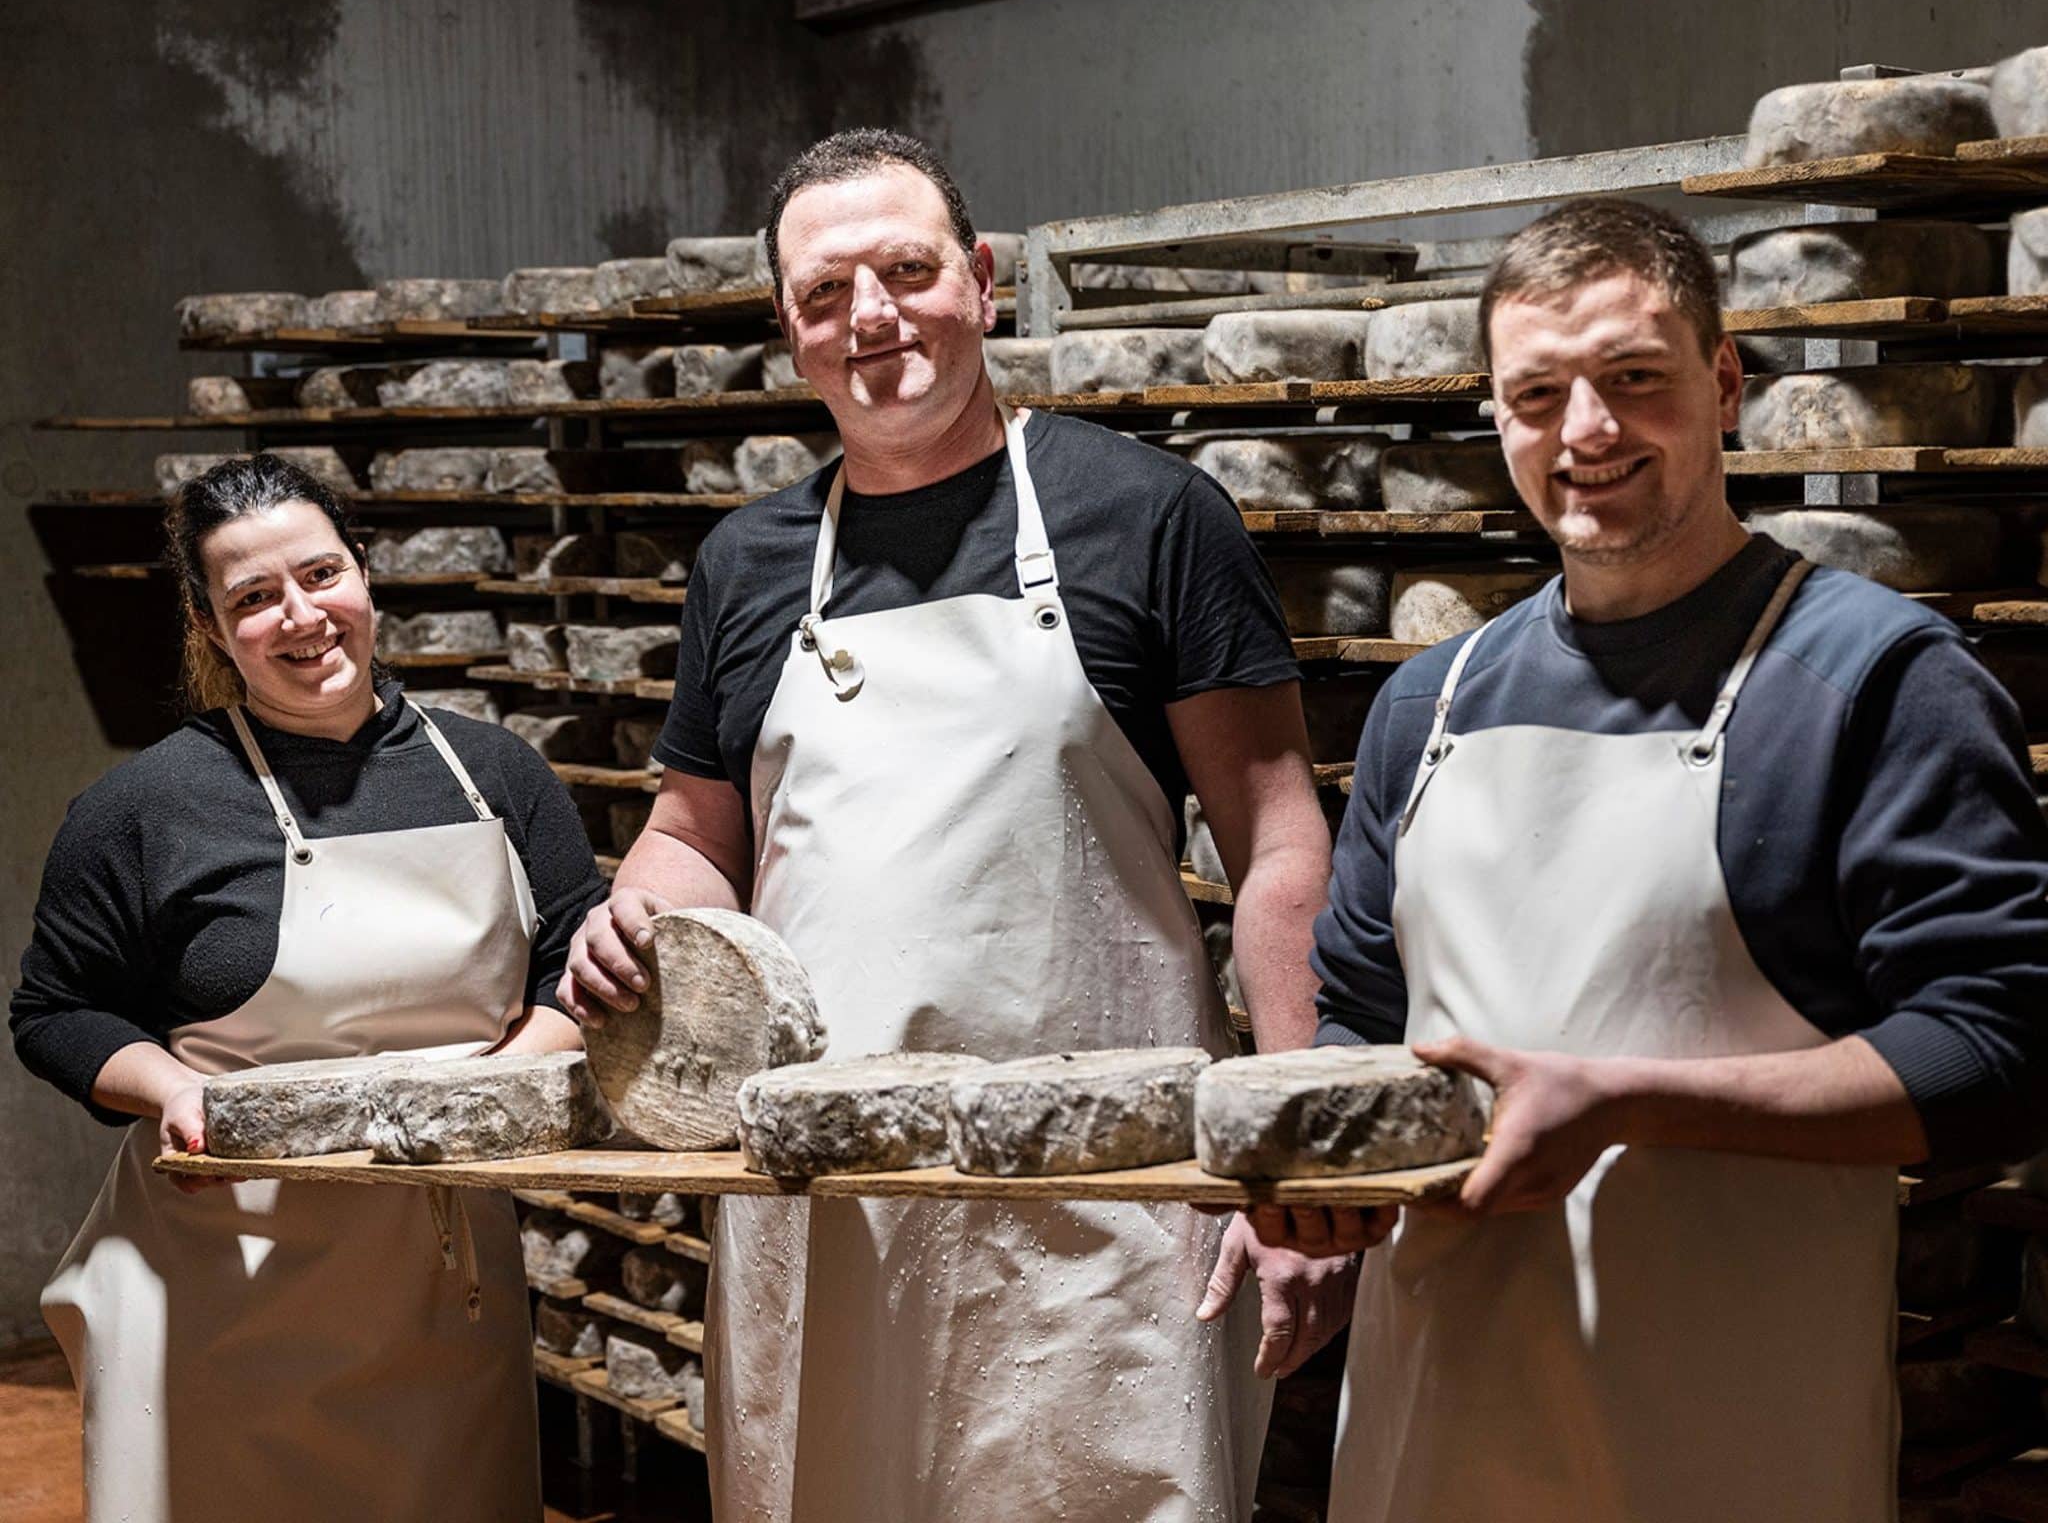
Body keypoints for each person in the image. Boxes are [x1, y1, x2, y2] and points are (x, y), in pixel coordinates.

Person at [561, 128, 1351, 1521]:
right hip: (827, 1199)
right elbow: (700, 826)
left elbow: (1279, 843)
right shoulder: (747, 566)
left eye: (907, 270)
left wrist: (1299, 1153)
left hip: (1101, 1193)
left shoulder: (1148, 515)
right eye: (825, 294)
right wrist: (638, 906)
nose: (871, 317)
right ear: (789, 331)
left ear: (982, 281)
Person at [1280, 198, 2048, 1523]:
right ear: (1500, 418)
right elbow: (1358, 1013)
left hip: (1727, 1442)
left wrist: (1625, 1102)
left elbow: (2001, 1045)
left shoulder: (1874, 680)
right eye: (1539, 393)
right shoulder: (1431, 703)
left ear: (1725, 383)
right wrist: (1307, 1194)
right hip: (1432, 1432)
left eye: (1634, 379)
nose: (1587, 431)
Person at [12, 454, 606, 1523]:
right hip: (216, 1288)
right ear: (206, 626)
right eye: (252, 598)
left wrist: (490, 1094)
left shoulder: (498, 775)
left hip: (442, 1280)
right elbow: (56, 1011)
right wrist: (169, 1090)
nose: (301, 617)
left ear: (365, 575)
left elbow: (580, 967)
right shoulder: (144, 809)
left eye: (320, 576)